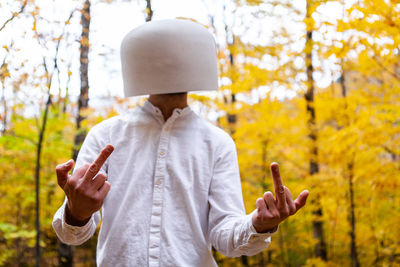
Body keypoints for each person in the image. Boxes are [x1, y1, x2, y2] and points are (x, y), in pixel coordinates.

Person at [52, 19, 309, 266]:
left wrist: (259, 224)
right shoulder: (106, 135)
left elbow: (224, 237)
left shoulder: (217, 143)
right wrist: (77, 212)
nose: (169, 60)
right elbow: (71, 235)